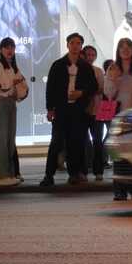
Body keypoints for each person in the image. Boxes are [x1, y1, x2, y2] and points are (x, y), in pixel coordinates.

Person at [41, 33, 97, 186]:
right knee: (56, 142)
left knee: (76, 142)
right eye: (72, 43)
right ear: (67, 45)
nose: (75, 46)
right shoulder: (58, 65)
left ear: (81, 47)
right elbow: (50, 88)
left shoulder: (85, 67)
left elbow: (93, 87)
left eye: (78, 43)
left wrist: (81, 93)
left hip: (78, 110)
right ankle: (48, 175)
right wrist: (50, 109)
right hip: (61, 109)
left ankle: (74, 173)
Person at [0, 38, 28, 186]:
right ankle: (1, 175)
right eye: (6, 47)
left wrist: (17, 90)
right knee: (1, 139)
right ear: (1, 49)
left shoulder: (13, 67)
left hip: (10, 102)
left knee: (10, 140)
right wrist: (12, 85)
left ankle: (9, 173)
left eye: (12, 47)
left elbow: (22, 85)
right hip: (0, 101)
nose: (10, 50)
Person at [104, 38, 132, 201]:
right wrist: (113, 78)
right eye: (122, 48)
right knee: (119, 155)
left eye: (128, 47)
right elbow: (109, 94)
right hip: (119, 114)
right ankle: (119, 190)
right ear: (118, 51)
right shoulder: (113, 68)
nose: (125, 50)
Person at [83, 45, 106, 181]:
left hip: (97, 111)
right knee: (83, 142)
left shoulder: (98, 71)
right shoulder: (80, 69)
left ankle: (99, 170)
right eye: (88, 54)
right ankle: (84, 170)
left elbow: (101, 89)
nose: (90, 57)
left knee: (98, 141)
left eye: (93, 55)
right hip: (83, 111)